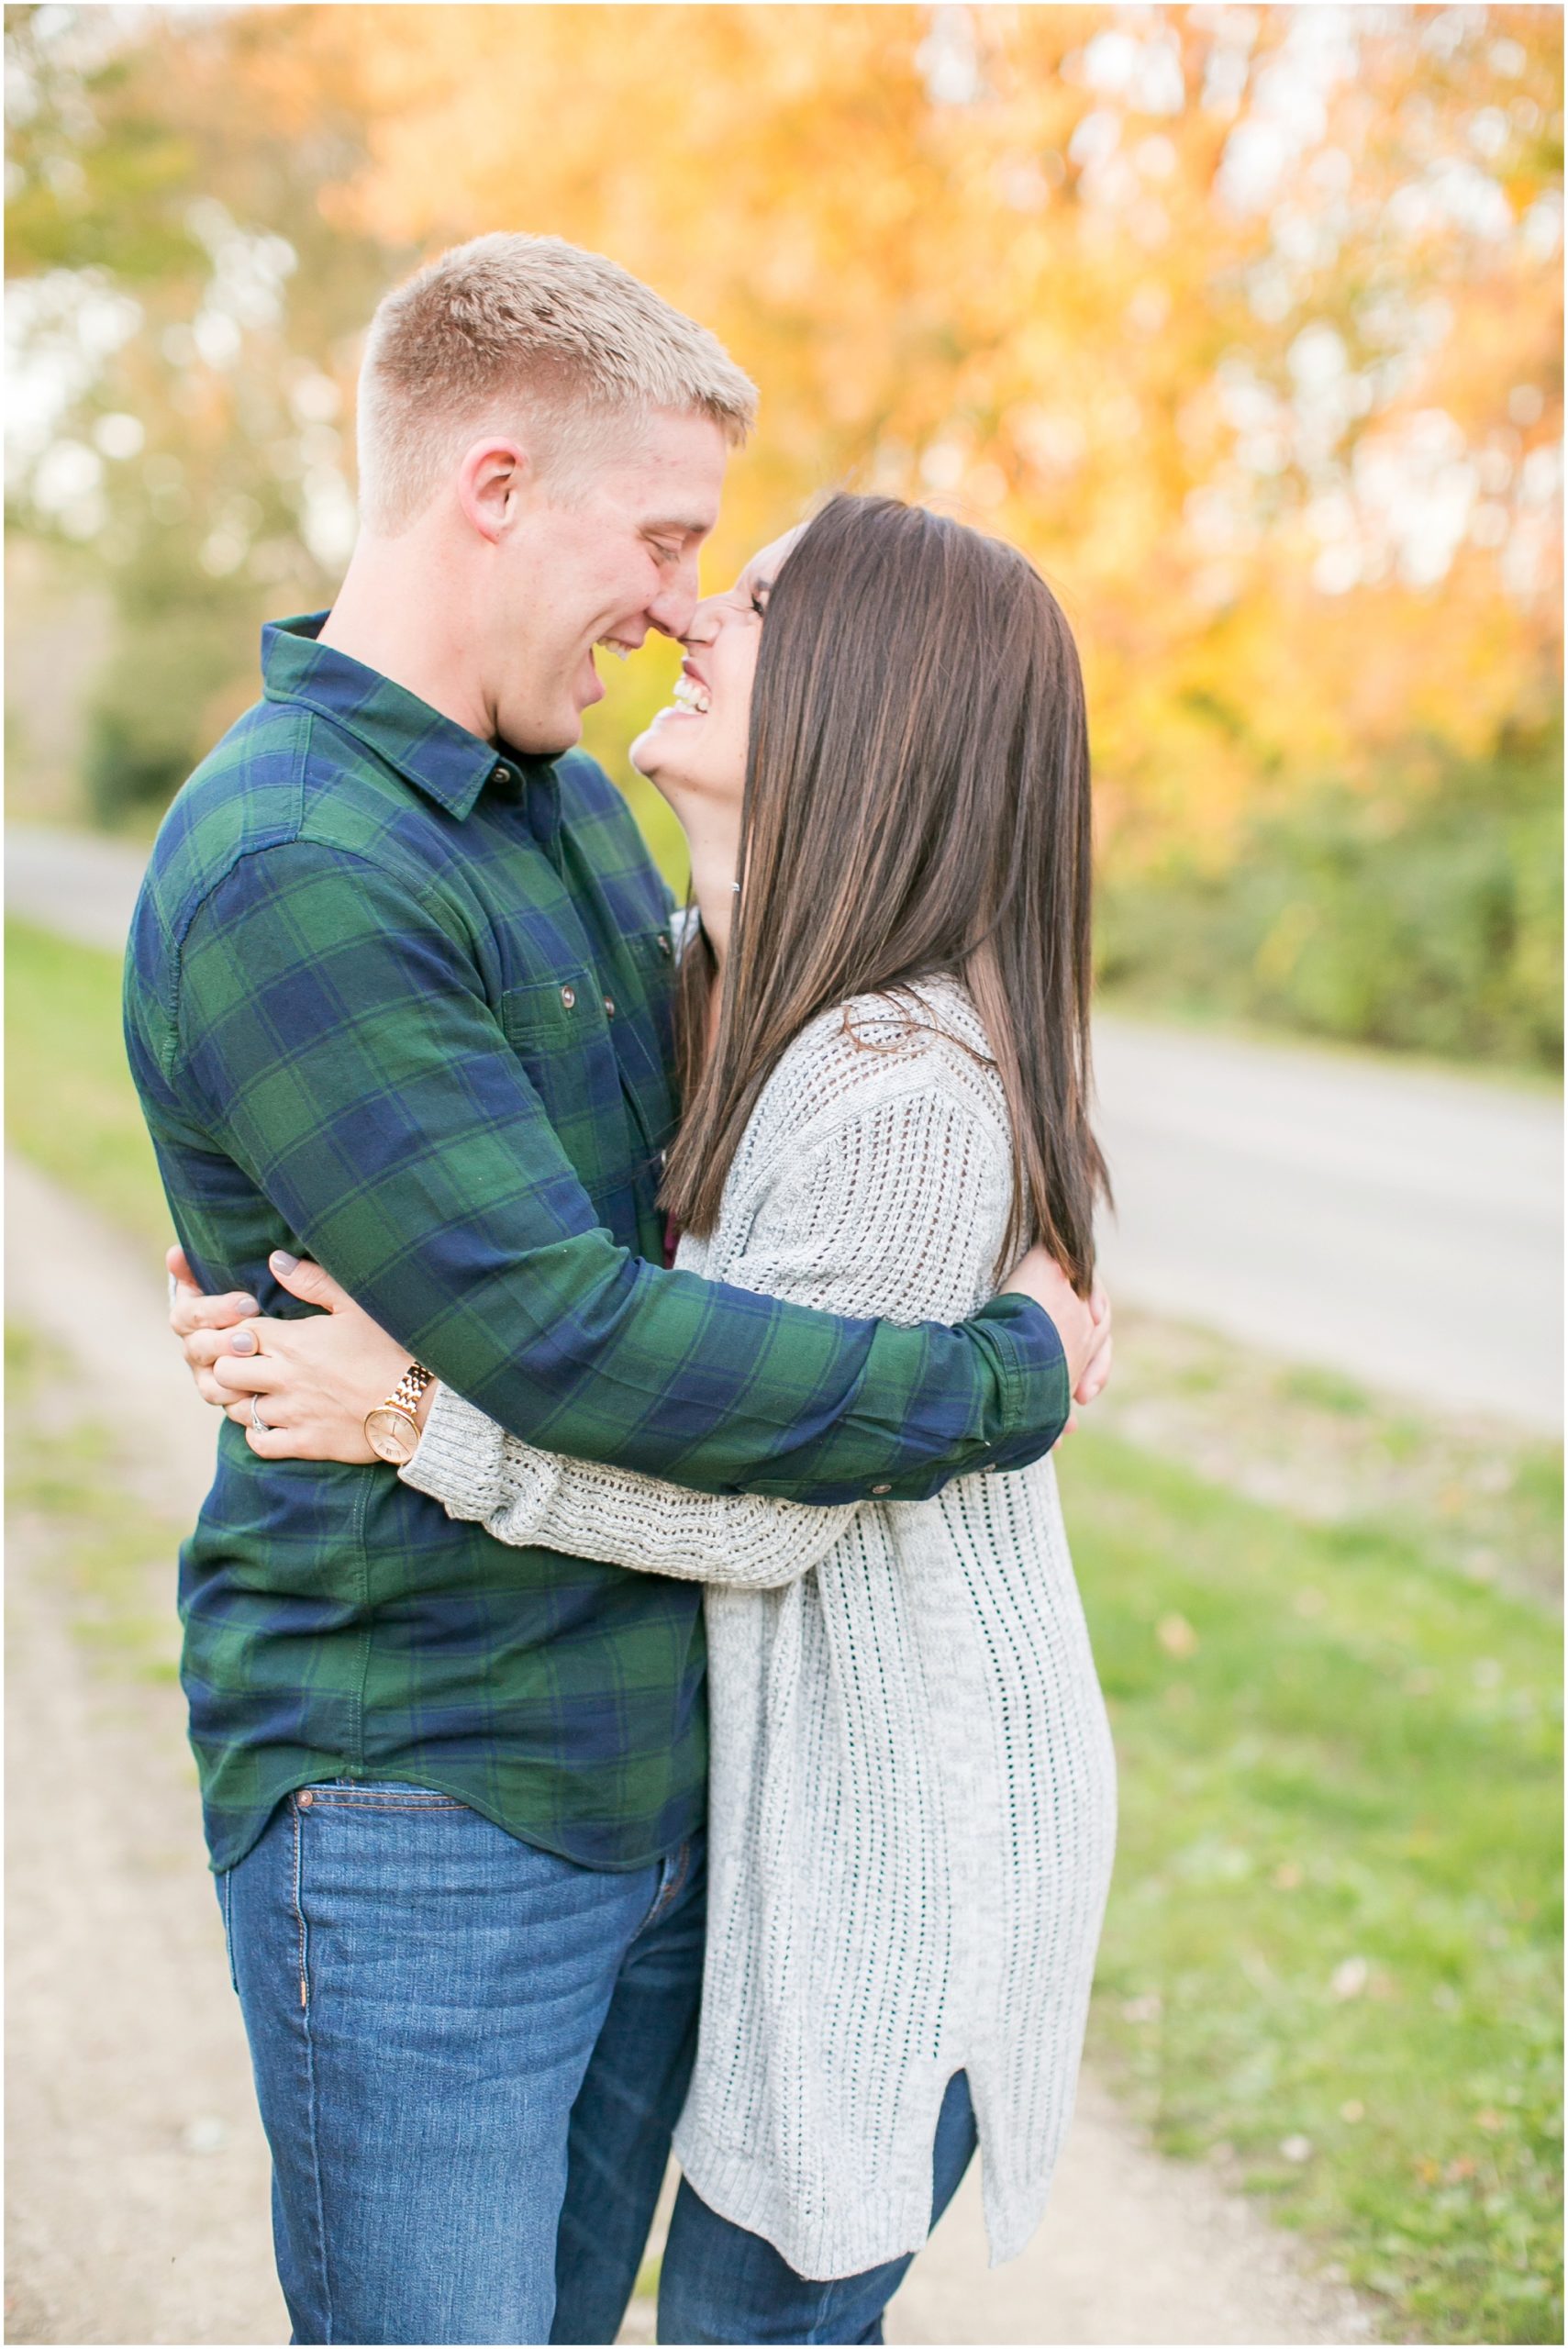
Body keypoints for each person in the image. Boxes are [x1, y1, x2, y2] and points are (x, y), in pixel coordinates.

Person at [128, 233, 1109, 2348]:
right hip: (432, 1795)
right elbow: (570, 1335)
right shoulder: (305, 862)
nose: (682, 596)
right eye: (668, 536)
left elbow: (731, 1194)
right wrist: (1000, 1375)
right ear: (494, 485)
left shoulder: (566, 805)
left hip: (659, 1779)